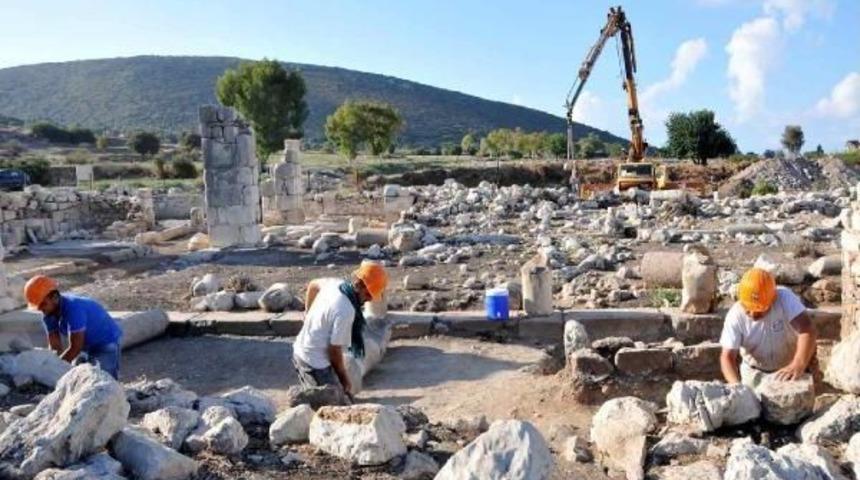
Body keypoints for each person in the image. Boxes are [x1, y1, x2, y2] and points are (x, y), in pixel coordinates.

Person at [292, 262, 388, 398]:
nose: (369, 299)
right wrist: (344, 380)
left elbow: (313, 285)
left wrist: (307, 314)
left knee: (341, 399)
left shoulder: (336, 284)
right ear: (360, 285)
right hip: (313, 363)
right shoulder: (346, 310)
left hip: (303, 351)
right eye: (369, 294)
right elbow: (334, 352)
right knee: (335, 407)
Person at [719, 268, 817, 388]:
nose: (753, 314)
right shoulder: (735, 315)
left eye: (760, 310)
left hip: (790, 368)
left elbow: (807, 329)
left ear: (772, 300)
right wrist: (736, 386)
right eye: (748, 310)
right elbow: (727, 357)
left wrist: (799, 363)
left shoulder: (784, 298)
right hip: (755, 372)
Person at [24, 275, 123, 379]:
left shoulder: (73, 308)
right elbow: (55, 347)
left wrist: (56, 369)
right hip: (85, 346)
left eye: (43, 304)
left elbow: (75, 347)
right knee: (81, 379)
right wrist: (51, 365)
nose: (41, 309)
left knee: (105, 381)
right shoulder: (48, 314)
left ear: (55, 297)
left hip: (105, 342)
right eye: (38, 306)